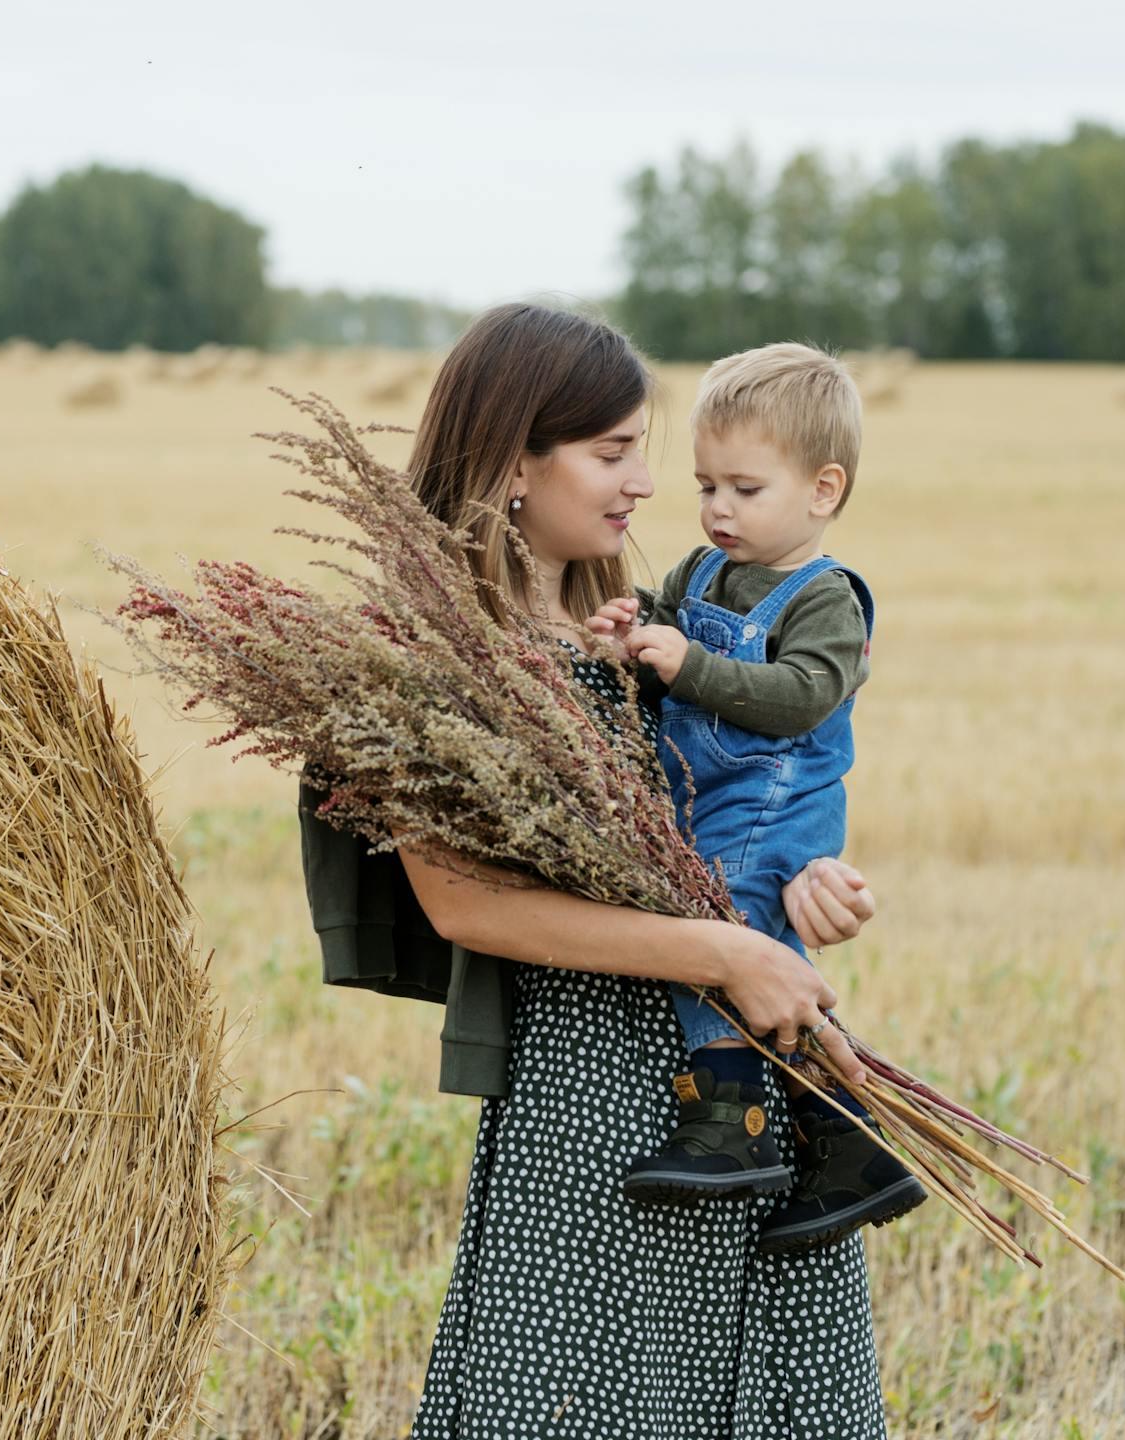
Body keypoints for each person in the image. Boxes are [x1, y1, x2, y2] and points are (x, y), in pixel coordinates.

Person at [298, 303, 889, 1438]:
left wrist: (805, 884)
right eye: (614, 452)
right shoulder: (430, 655)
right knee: (578, 1402)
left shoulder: (635, 628)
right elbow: (466, 904)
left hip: (740, 1064)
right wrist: (724, 948)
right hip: (588, 1090)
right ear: (518, 456)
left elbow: (739, 797)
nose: (651, 486)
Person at [591, 342, 928, 1250]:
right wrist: (635, 632)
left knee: (728, 932)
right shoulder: (702, 575)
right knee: (745, 942)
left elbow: (802, 699)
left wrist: (690, 666)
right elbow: (663, 641)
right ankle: (847, 1142)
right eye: (706, 486)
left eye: (745, 489)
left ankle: (731, 1121)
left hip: (777, 804)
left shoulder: (827, 599)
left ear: (823, 490)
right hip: (710, 799)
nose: (716, 509)